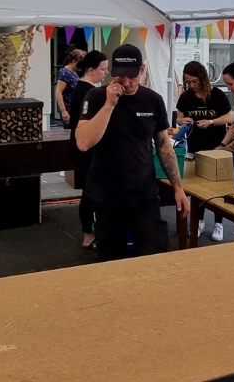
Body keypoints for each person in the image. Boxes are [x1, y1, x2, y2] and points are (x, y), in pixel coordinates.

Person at [75, 44, 189, 260]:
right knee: (112, 259)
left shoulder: (153, 100)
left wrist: (178, 188)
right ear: (112, 72)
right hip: (107, 195)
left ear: (142, 70)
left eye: (132, 76)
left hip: (143, 193)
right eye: (121, 76)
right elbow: (83, 142)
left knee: (154, 254)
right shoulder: (96, 96)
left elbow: (164, 146)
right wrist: (109, 105)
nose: (126, 83)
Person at [175, 61, 232, 242]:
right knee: (197, 187)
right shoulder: (186, 97)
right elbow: (178, 118)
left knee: (217, 187)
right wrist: (183, 121)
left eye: (194, 81)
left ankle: (218, 223)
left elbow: (229, 117)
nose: (192, 85)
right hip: (194, 147)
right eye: (188, 82)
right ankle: (199, 220)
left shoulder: (217, 95)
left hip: (216, 147)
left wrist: (211, 122)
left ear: (202, 78)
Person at [66, 50, 107, 249]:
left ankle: (90, 233)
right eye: (103, 69)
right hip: (87, 148)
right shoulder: (88, 93)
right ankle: (89, 234)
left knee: (90, 191)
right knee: (91, 192)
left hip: (83, 147)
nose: (106, 73)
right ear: (91, 70)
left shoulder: (83, 89)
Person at [54, 47, 85, 125]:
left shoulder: (74, 72)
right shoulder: (65, 73)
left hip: (75, 109)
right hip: (68, 110)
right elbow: (58, 92)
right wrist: (63, 111)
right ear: (74, 61)